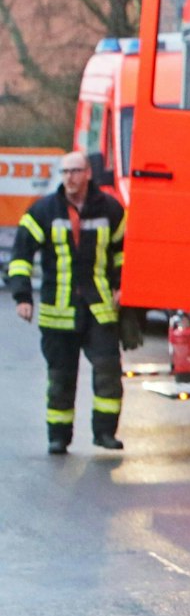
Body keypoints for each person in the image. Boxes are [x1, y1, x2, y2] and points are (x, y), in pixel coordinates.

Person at [7, 150, 127, 453]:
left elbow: (124, 252)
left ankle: (104, 434)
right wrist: (22, 296)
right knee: (60, 378)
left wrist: (122, 285)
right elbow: (21, 255)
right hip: (57, 312)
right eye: (64, 172)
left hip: (99, 309)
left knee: (108, 372)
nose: (69, 178)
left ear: (88, 173)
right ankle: (58, 438)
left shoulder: (111, 209)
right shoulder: (43, 211)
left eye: (74, 171)